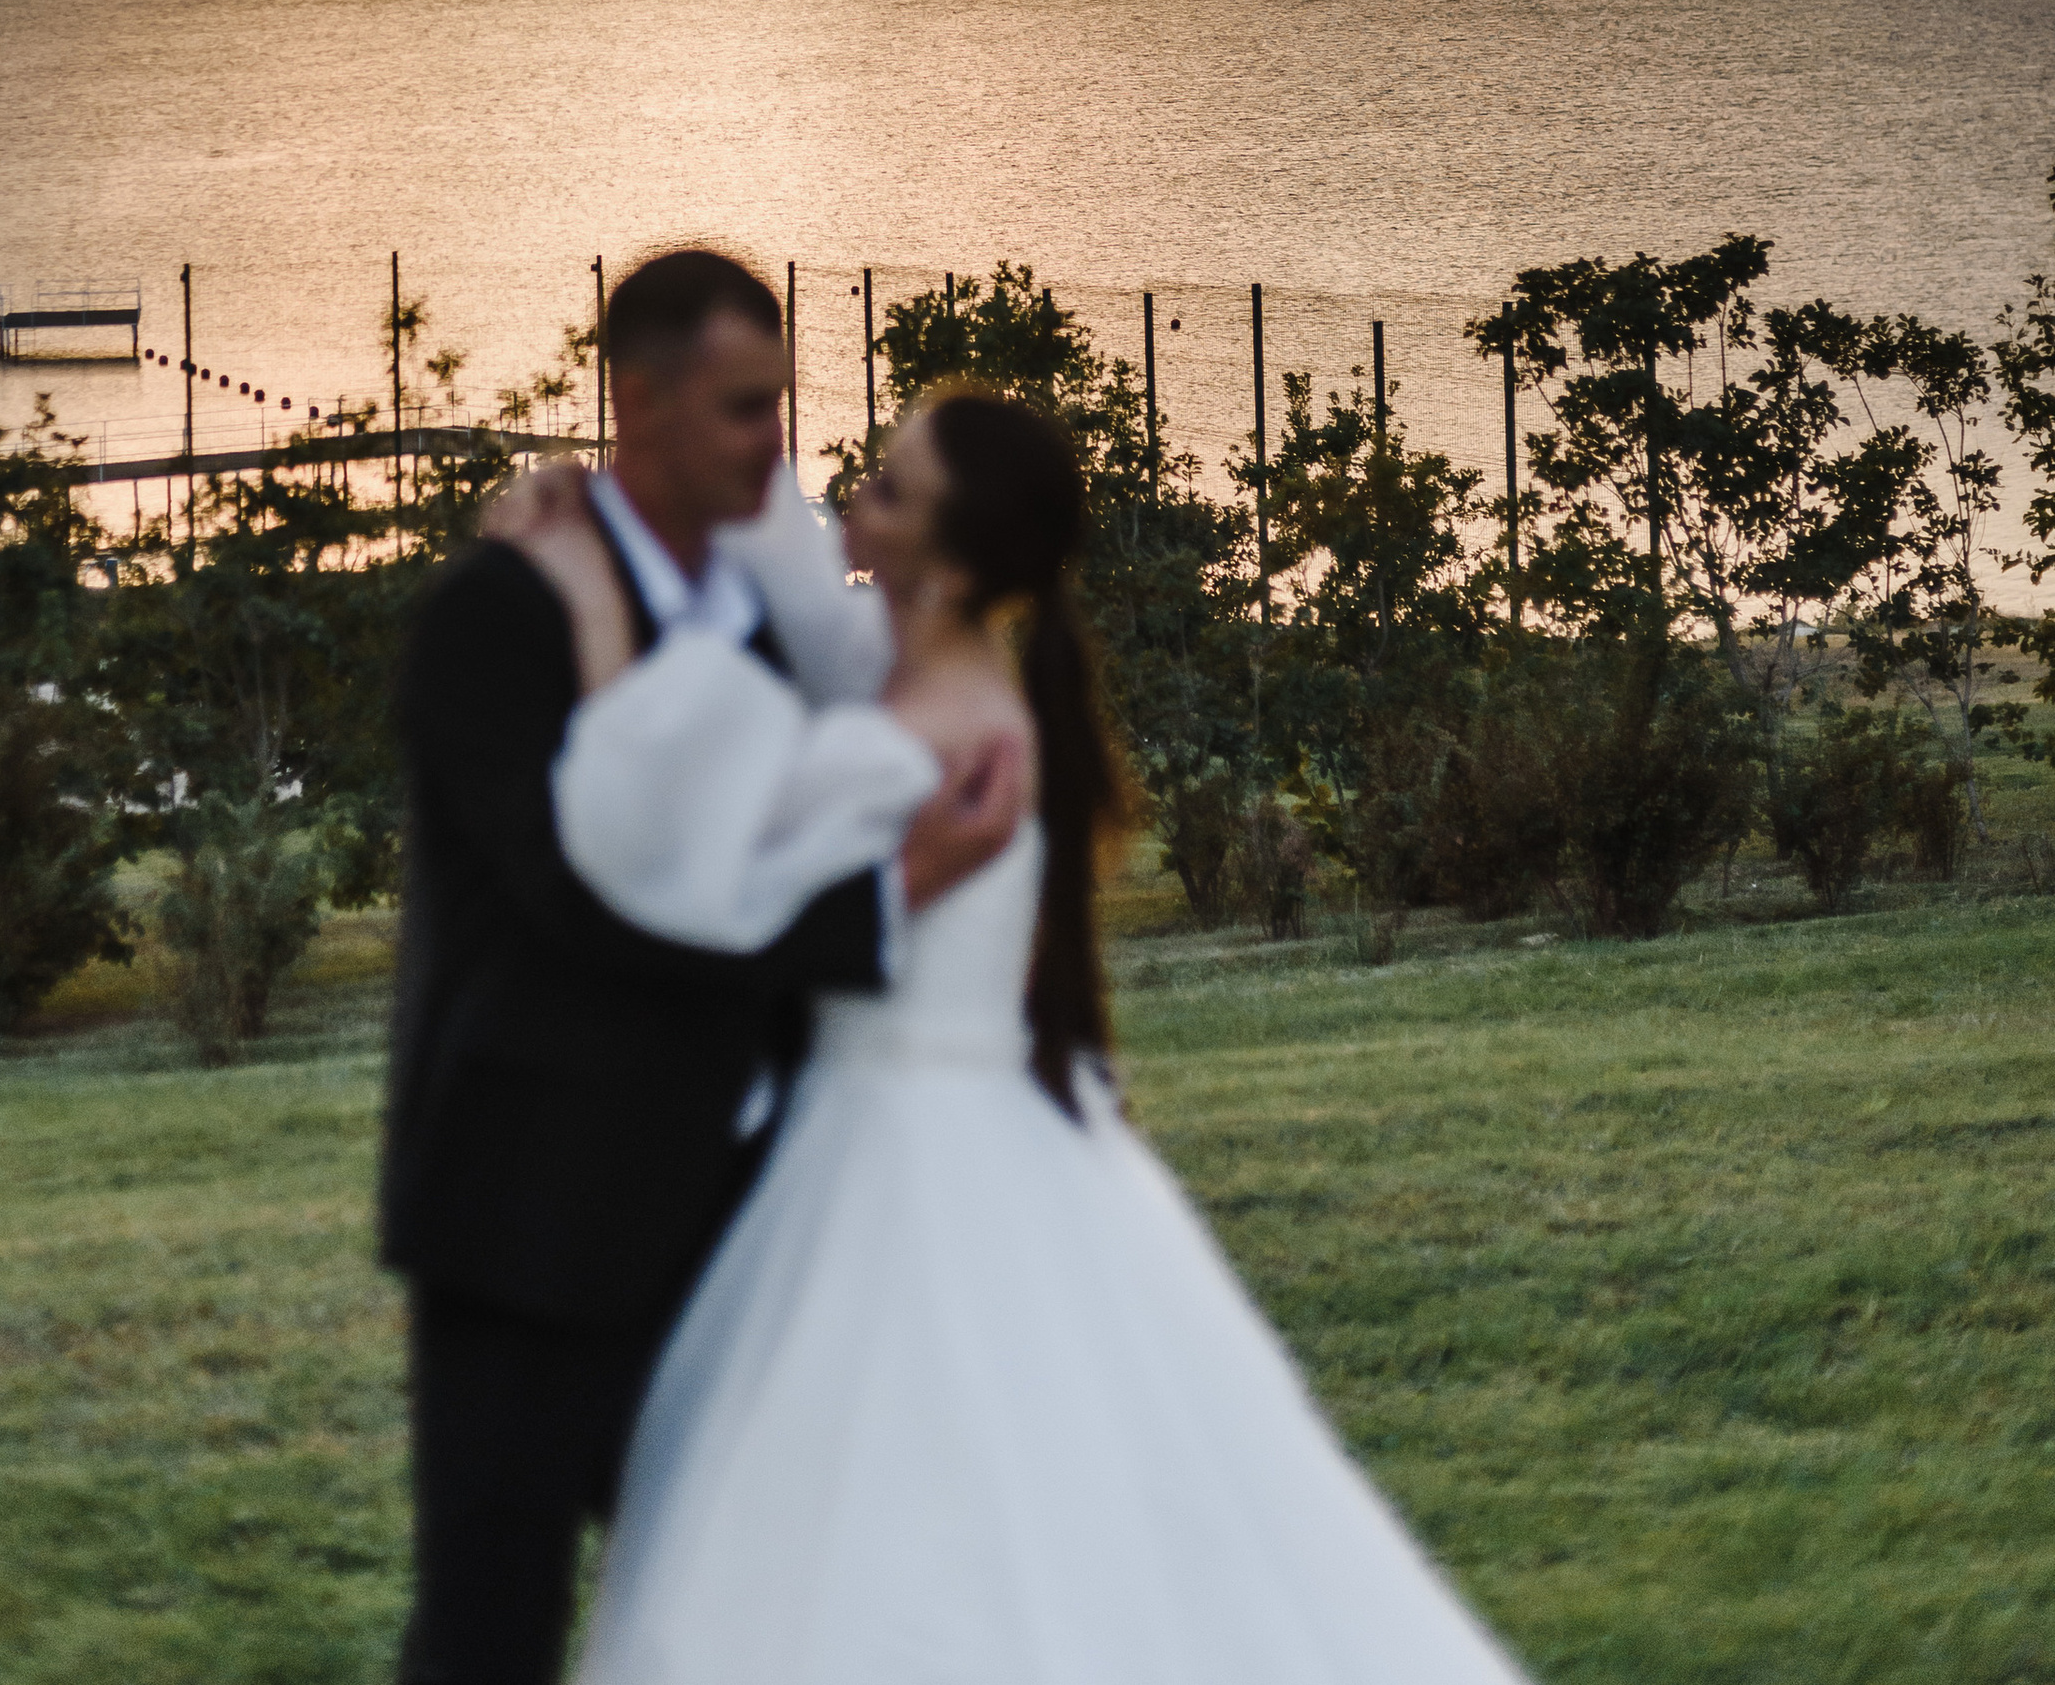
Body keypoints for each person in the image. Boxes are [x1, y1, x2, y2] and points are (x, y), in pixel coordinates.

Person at [505, 381, 1533, 1685]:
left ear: (941, 556)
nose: (848, 502)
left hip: (889, 1144)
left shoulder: (929, 738)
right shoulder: (945, 684)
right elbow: (797, 593)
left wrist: (590, 604)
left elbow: (686, 871)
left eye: (881, 487)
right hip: (964, 1119)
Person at [381, 250, 1028, 1685]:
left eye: (780, 405)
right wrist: (886, 897)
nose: (775, 444)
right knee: (494, 1629)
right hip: (529, 1216)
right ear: (641, 399)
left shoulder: (761, 606)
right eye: (744, 408)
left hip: (729, 1208)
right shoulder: (501, 612)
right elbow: (587, 902)